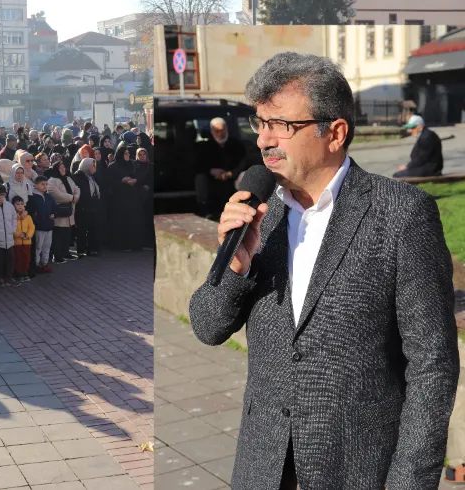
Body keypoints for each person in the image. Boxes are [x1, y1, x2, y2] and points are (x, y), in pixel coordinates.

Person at [189, 52, 459, 489]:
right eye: (260, 123)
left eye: (282, 125)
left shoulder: (401, 214)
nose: (264, 140)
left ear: (334, 133)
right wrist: (236, 263)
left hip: (357, 471)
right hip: (264, 468)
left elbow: (432, 366)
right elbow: (206, 326)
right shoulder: (261, 212)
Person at [195, 117, 248, 220]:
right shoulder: (205, 147)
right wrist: (211, 171)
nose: (220, 133)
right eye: (216, 130)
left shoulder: (236, 145)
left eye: (222, 129)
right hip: (213, 179)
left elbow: (243, 163)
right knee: (200, 178)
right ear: (212, 131)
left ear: (226, 129)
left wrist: (230, 173)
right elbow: (198, 165)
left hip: (232, 177)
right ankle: (206, 211)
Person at [46, 161, 79, 264]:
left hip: (69, 211)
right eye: (61, 168)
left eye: (64, 167)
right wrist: (72, 198)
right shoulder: (52, 181)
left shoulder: (68, 178)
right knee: (58, 236)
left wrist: (76, 196)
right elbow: (57, 195)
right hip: (60, 212)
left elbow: (76, 188)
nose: (63, 169)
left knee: (67, 235)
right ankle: (57, 256)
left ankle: (66, 253)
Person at [71, 158, 102, 257]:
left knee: (94, 228)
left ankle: (92, 249)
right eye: (92, 165)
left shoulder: (93, 177)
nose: (94, 167)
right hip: (82, 207)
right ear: (86, 165)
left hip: (93, 207)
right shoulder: (77, 177)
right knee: (82, 229)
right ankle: (81, 250)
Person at [27, 176, 55, 274]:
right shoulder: (32, 197)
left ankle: (45, 263)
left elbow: (54, 207)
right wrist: (37, 220)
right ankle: (37, 264)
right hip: (39, 227)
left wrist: (53, 214)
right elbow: (31, 212)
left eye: (46, 184)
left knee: (47, 246)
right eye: (42, 184)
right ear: (36, 185)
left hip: (49, 226)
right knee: (38, 247)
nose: (45, 186)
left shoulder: (49, 197)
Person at [11, 195, 34, 283]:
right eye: (17, 204)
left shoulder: (28, 217)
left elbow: (31, 227)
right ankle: (19, 274)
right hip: (17, 242)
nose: (20, 206)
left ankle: (25, 273)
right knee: (18, 259)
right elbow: (11, 229)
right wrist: (18, 234)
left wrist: (28, 235)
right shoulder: (13, 218)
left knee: (26, 258)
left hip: (27, 242)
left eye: (22, 204)